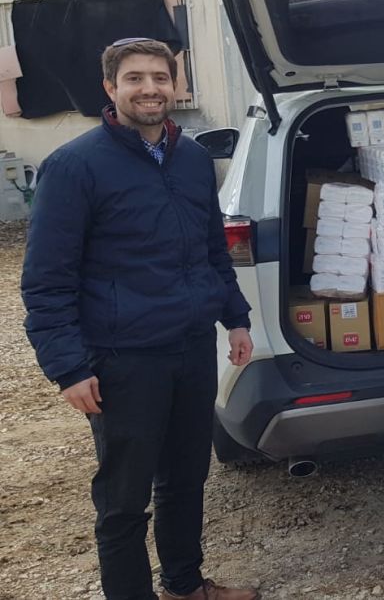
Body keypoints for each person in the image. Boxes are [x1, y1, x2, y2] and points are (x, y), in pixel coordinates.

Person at [21, 38, 257, 600]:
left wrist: (236, 317)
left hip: (192, 347)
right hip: (123, 359)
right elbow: (47, 280)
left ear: (175, 87)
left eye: (160, 77)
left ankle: (185, 585)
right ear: (110, 88)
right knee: (124, 500)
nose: (149, 89)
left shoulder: (192, 158)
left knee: (186, 479)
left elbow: (211, 249)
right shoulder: (74, 167)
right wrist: (69, 367)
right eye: (134, 79)